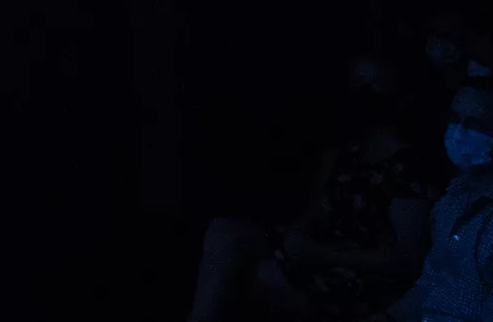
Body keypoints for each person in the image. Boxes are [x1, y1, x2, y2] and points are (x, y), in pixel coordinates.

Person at [186, 55, 435, 322]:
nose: (361, 93)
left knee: (262, 277)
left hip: (361, 273)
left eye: (373, 84)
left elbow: (407, 258)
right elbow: (314, 210)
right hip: (319, 249)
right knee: (224, 233)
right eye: (357, 82)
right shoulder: (346, 150)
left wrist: (325, 255)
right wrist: (297, 237)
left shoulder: (408, 168)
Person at [383, 84, 493, 322]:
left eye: (474, 124)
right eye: (454, 119)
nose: (458, 132)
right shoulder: (453, 198)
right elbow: (431, 284)